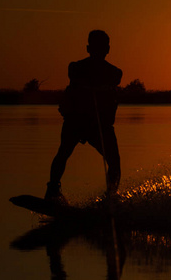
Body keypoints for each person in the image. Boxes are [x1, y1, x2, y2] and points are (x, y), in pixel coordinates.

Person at [45, 30, 122, 202]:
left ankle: (110, 197)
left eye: (102, 48)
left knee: (114, 163)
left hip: (99, 126)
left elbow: (115, 79)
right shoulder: (75, 68)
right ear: (88, 48)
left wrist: (98, 87)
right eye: (95, 47)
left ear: (107, 49)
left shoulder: (114, 72)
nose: (98, 51)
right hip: (76, 121)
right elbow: (74, 75)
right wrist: (87, 86)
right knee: (63, 153)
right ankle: (52, 190)